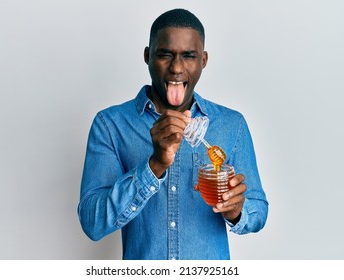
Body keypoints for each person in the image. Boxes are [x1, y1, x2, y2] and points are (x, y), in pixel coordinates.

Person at [78, 8, 268, 260]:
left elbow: (258, 210)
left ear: (203, 60)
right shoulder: (110, 125)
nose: (176, 68)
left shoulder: (232, 124)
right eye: (165, 55)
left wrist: (237, 211)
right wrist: (154, 165)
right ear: (147, 56)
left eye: (189, 56)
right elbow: (92, 223)